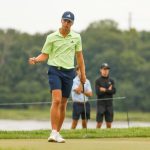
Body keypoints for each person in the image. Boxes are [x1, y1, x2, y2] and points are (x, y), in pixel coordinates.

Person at [28, 11, 86, 143]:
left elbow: (80, 57)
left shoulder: (77, 37)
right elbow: (45, 54)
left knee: (64, 103)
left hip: (69, 72)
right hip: (55, 70)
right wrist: (36, 59)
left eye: (69, 21)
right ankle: (53, 132)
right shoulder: (52, 37)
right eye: (65, 20)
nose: (67, 23)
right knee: (57, 100)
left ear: (72, 23)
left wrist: (83, 74)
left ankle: (57, 133)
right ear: (61, 21)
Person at [95, 63, 116, 128]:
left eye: (107, 69)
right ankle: (96, 135)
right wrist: (108, 90)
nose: (106, 71)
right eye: (104, 69)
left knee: (109, 122)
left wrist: (104, 90)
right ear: (101, 70)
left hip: (109, 104)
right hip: (101, 104)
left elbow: (113, 91)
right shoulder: (98, 81)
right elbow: (98, 93)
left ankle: (109, 135)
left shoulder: (111, 80)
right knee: (99, 122)